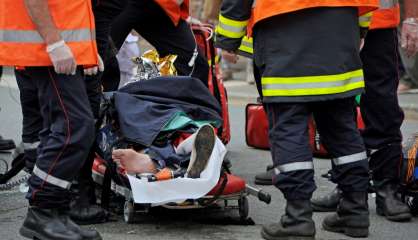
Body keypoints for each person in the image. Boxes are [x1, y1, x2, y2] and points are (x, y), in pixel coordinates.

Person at [215, 0, 378, 239]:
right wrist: (360, 27)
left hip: (285, 30)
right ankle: (355, 210)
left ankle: (298, 217)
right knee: (342, 127)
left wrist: (228, 40)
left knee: (288, 128)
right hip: (339, 29)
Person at [0, 1, 102, 239]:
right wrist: (55, 43)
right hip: (46, 47)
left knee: (64, 127)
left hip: (56, 47)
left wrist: (87, 50)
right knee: (74, 127)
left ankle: (54, 212)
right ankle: (42, 211)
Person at [311, 0, 417, 223]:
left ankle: (387, 188)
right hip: (333, 21)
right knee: (337, 106)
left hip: (378, 24)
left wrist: (412, 20)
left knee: (382, 106)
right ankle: (348, 188)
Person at [110, 0, 209, 85]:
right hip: (123, 3)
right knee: (102, 57)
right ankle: (100, 102)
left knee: (196, 64)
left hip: (161, 6)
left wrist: (182, 14)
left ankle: (188, 105)